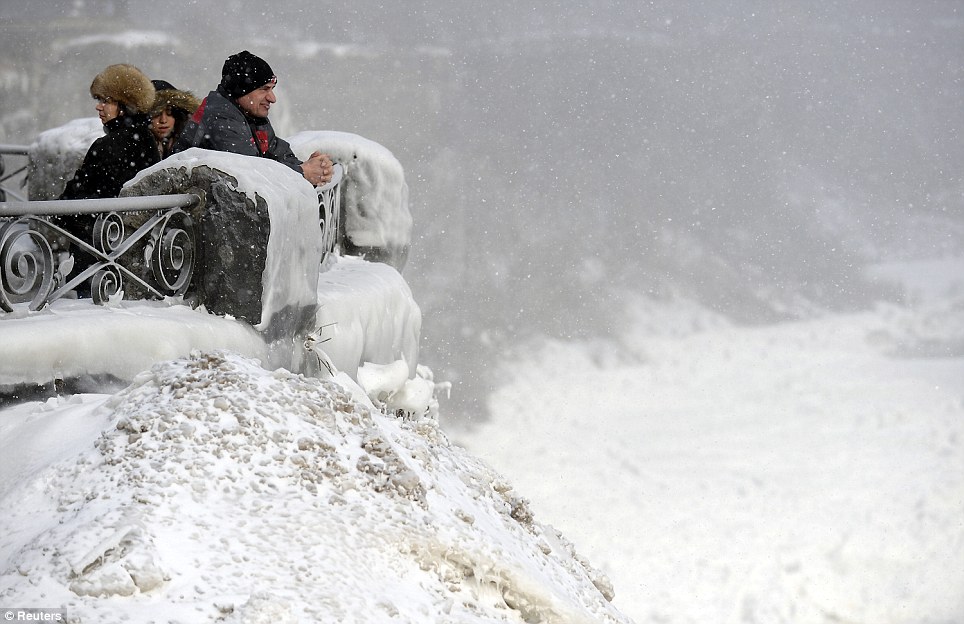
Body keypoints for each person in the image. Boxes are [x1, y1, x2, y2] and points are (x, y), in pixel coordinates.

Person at [172, 50, 333, 186]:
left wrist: (308, 167)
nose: (272, 98)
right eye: (264, 89)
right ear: (241, 90)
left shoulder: (251, 116)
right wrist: (303, 172)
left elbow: (277, 154)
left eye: (272, 89)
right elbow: (250, 174)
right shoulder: (220, 118)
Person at [60, 64, 159, 199]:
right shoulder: (146, 137)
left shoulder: (109, 144)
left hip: (106, 218)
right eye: (99, 100)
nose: (98, 107)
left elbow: (81, 195)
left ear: (126, 105)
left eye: (106, 101)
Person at [149, 79, 200, 159]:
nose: (163, 120)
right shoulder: (134, 148)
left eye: (169, 112)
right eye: (156, 113)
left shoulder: (193, 146)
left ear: (178, 115)